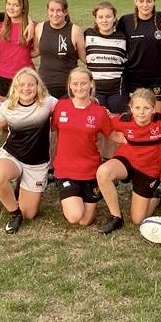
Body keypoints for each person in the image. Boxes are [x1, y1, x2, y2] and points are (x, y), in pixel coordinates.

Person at [0, 67, 59, 234]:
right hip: (13, 155)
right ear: (15, 87)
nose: (26, 88)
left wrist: (93, 105)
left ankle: (21, 186)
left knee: (29, 214)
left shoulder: (48, 102)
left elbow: (70, 109)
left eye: (31, 84)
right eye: (21, 85)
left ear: (38, 86)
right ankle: (15, 214)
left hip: (37, 162)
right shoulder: (8, 106)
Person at [95, 89, 161, 233]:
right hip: (126, 160)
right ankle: (116, 217)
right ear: (131, 108)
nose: (141, 112)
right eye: (137, 108)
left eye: (146, 108)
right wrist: (103, 112)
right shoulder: (124, 120)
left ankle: (155, 197)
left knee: (138, 220)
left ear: (154, 108)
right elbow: (104, 122)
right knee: (103, 172)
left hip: (148, 170)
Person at [51, 68, 113, 227]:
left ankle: (81, 196)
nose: (79, 87)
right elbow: (50, 129)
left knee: (85, 221)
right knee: (75, 216)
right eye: (75, 83)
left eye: (83, 83)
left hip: (90, 170)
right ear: (70, 85)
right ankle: (69, 197)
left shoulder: (100, 112)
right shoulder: (60, 106)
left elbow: (113, 135)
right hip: (66, 170)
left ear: (91, 84)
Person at [118, 0, 161, 108]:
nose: (145, 5)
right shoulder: (126, 21)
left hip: (157, 76)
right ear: (135, 2)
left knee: (156, 115)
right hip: (133, 76)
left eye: (149, 1)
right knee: (137, 113)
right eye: (141, 1)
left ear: (154, 2)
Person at [34, 0, 85, 98]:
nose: (55, 14)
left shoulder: (75, 30)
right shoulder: (39, 28)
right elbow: (35, 52)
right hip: (44, 85)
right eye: (51, 10)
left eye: (59, 11)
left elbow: (85, 58)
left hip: (68, 87)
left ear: (65, 12)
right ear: (47, 11)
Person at [84, 1, 128, 114]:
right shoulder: (88, 34)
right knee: (96, 119)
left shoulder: (123, 36)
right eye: (100, 17)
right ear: (95, 19)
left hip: (117, 89)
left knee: (116, 119)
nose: (104, 20)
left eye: (108, 16)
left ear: (114, 18)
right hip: (95, 89)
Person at [0, 0, 35, 98]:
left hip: (25, 76)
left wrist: (24, 55)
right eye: (9, 4)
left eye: (16, 5)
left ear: (23, 8)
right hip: (3, 76)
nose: (11, 8)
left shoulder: (32, 27)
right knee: (4, 107)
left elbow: (37, 51)